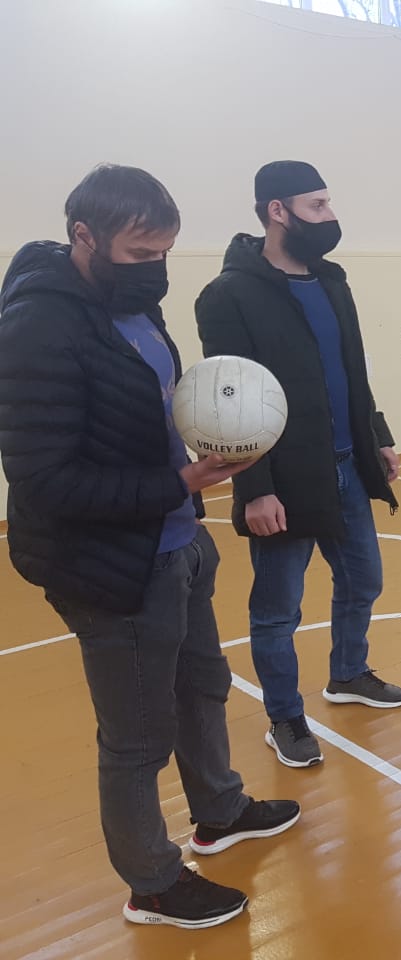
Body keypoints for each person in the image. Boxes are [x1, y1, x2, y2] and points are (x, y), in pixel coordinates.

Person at [0, 164, 299, 929]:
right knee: (137, 737)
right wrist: (180, 481)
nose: (156, 268)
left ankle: (220, 812)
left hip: (176, 540)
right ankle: (154, 884)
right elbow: (45, 481)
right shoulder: (38, 327)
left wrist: (202, 455)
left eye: (165, 252)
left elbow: (147, 411)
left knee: (203, 685)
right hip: (110, 566)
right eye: (141, 254)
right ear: (84, 236)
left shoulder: (129, 303)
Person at [194, 161, 401, 769]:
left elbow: (353, 370)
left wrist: (376, 435)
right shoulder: (228, 295)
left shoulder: (332, 281)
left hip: (348, 464)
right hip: (283, 479)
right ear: (277, 211)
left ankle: (348, 674)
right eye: (317, 205)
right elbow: (230, 403)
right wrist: (254, 489)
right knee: (277, 610)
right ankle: (285, 717)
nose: (330, 216)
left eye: (328, 203)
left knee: (363, 581)